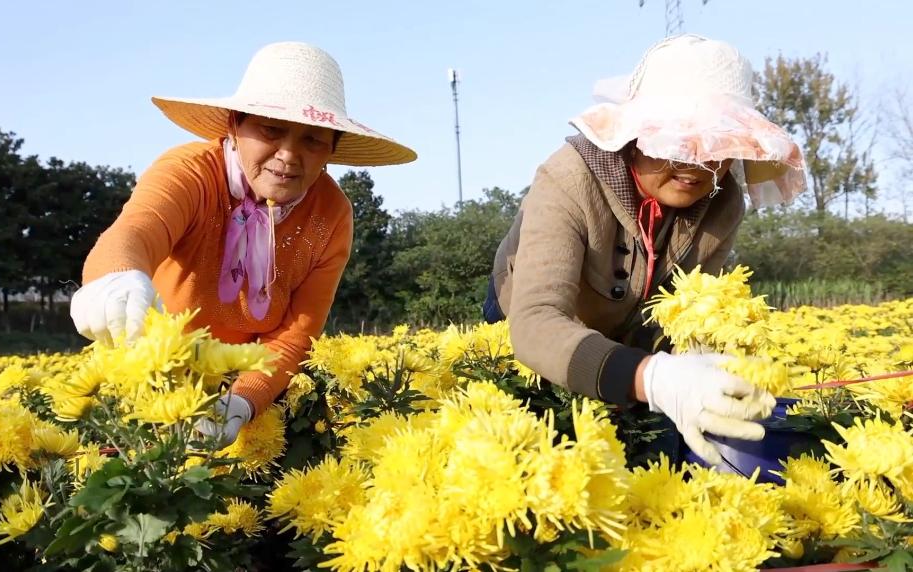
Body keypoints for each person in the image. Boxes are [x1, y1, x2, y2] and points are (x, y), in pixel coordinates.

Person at [70, 42, 416, 445]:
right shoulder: (190, 173)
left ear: (332, 149)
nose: (288, 155)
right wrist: (116, 277)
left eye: (313, 140)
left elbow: (297, 332)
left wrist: (243, 399)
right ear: (235, 123)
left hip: (250, 386)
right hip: (153, 379)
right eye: (271, 129)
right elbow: (135, 232)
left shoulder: (332, 214)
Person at [485, 35, 807, 464]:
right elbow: (536, 323)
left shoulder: (722, 200)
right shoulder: (567, 181)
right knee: (542, 432)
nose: (698, 167)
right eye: (679, 144)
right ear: (636, 136)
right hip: (530, 316)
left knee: (652, 437)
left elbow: (687, 310)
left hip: (632, 322)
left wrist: (695, 366)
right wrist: (653, 379)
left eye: (716, 148)